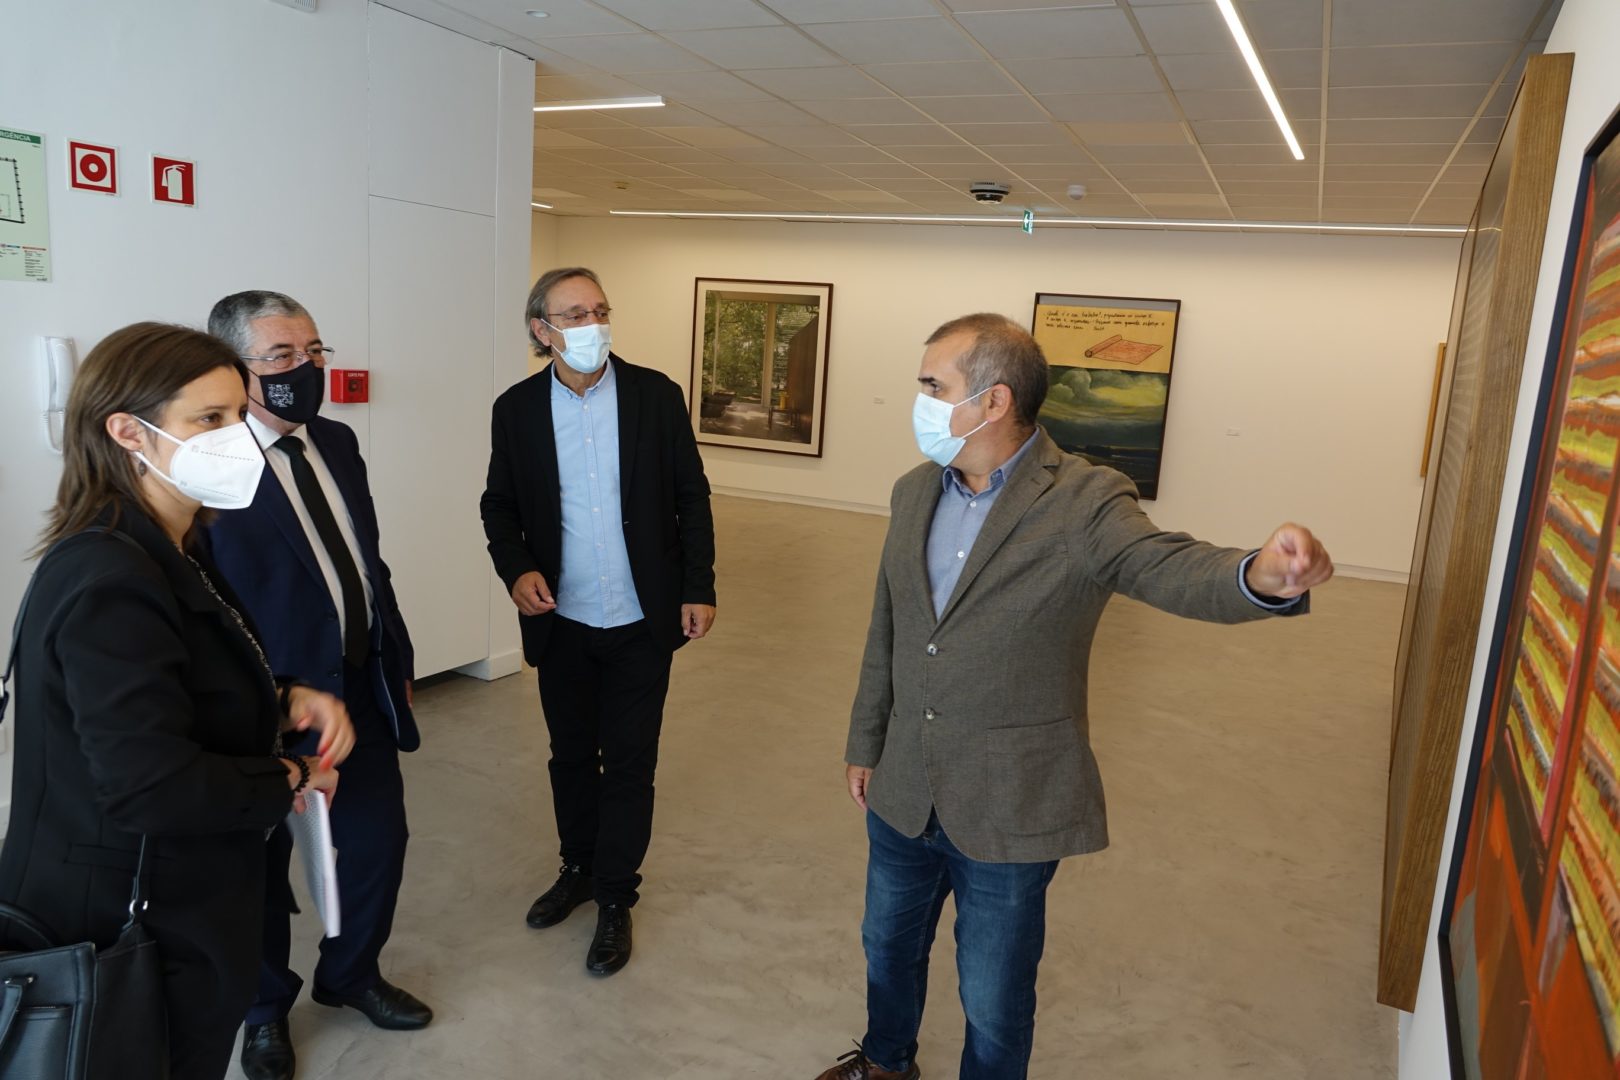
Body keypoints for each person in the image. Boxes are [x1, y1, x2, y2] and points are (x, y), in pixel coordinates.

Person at [813, 314, 1335, 1080]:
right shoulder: (914, 491)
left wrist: (1259, 576)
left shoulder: (1083, 499)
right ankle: (887, 1062)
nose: (919, 401)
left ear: (993, 401)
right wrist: (866, 743)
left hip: (1012, 801)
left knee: (993, 996)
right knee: (887, 947)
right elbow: (888, 630)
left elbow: (1164, 565)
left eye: (933, 386)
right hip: (904, 782)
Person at [0, 322, 355, 1080]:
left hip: (179, 900)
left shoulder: (172, 546)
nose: (239, 437)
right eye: (210, 419)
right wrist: (291, 777)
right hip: (123, 924)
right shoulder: (112, 578)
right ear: (129, 432)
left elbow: (179, 685)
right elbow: (150, 785)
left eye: (240, 414)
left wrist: (285, 699)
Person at [199, 291, 429, 1080]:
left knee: (377, 844)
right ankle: (263, 1011)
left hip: (358, 688)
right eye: (281, 356)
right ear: (232, 368)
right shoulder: (209, 463)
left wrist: (394, 652)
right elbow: (204, 603)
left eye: (314, 351)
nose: (306, 369)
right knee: (260, 870)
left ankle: (351, 974)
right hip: (262, 706)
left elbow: (365, 562)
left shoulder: (336, 440)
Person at [480, 266, 717, 976]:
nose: (593, 325)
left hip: (641, 617)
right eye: (575, 315)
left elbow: (691, 495)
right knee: (571, 757)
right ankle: (578, 869)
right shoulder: (517, 409)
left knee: (631, 764)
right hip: (564, 620)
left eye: (600, 311)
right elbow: (500, 506)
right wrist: (516, 569)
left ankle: (616, 895)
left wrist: (698, 586)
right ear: (541, 329)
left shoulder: (654, 395)